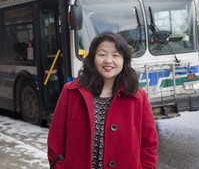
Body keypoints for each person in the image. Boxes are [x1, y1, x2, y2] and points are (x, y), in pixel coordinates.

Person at [47, 32, 158, 169]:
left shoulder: (137, 97)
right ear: (92, 58)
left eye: (116, 55)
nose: (108, 61)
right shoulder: (71, 92)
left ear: (124, 60)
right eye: (102, 54)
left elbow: (149, 144)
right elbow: (55, 140)